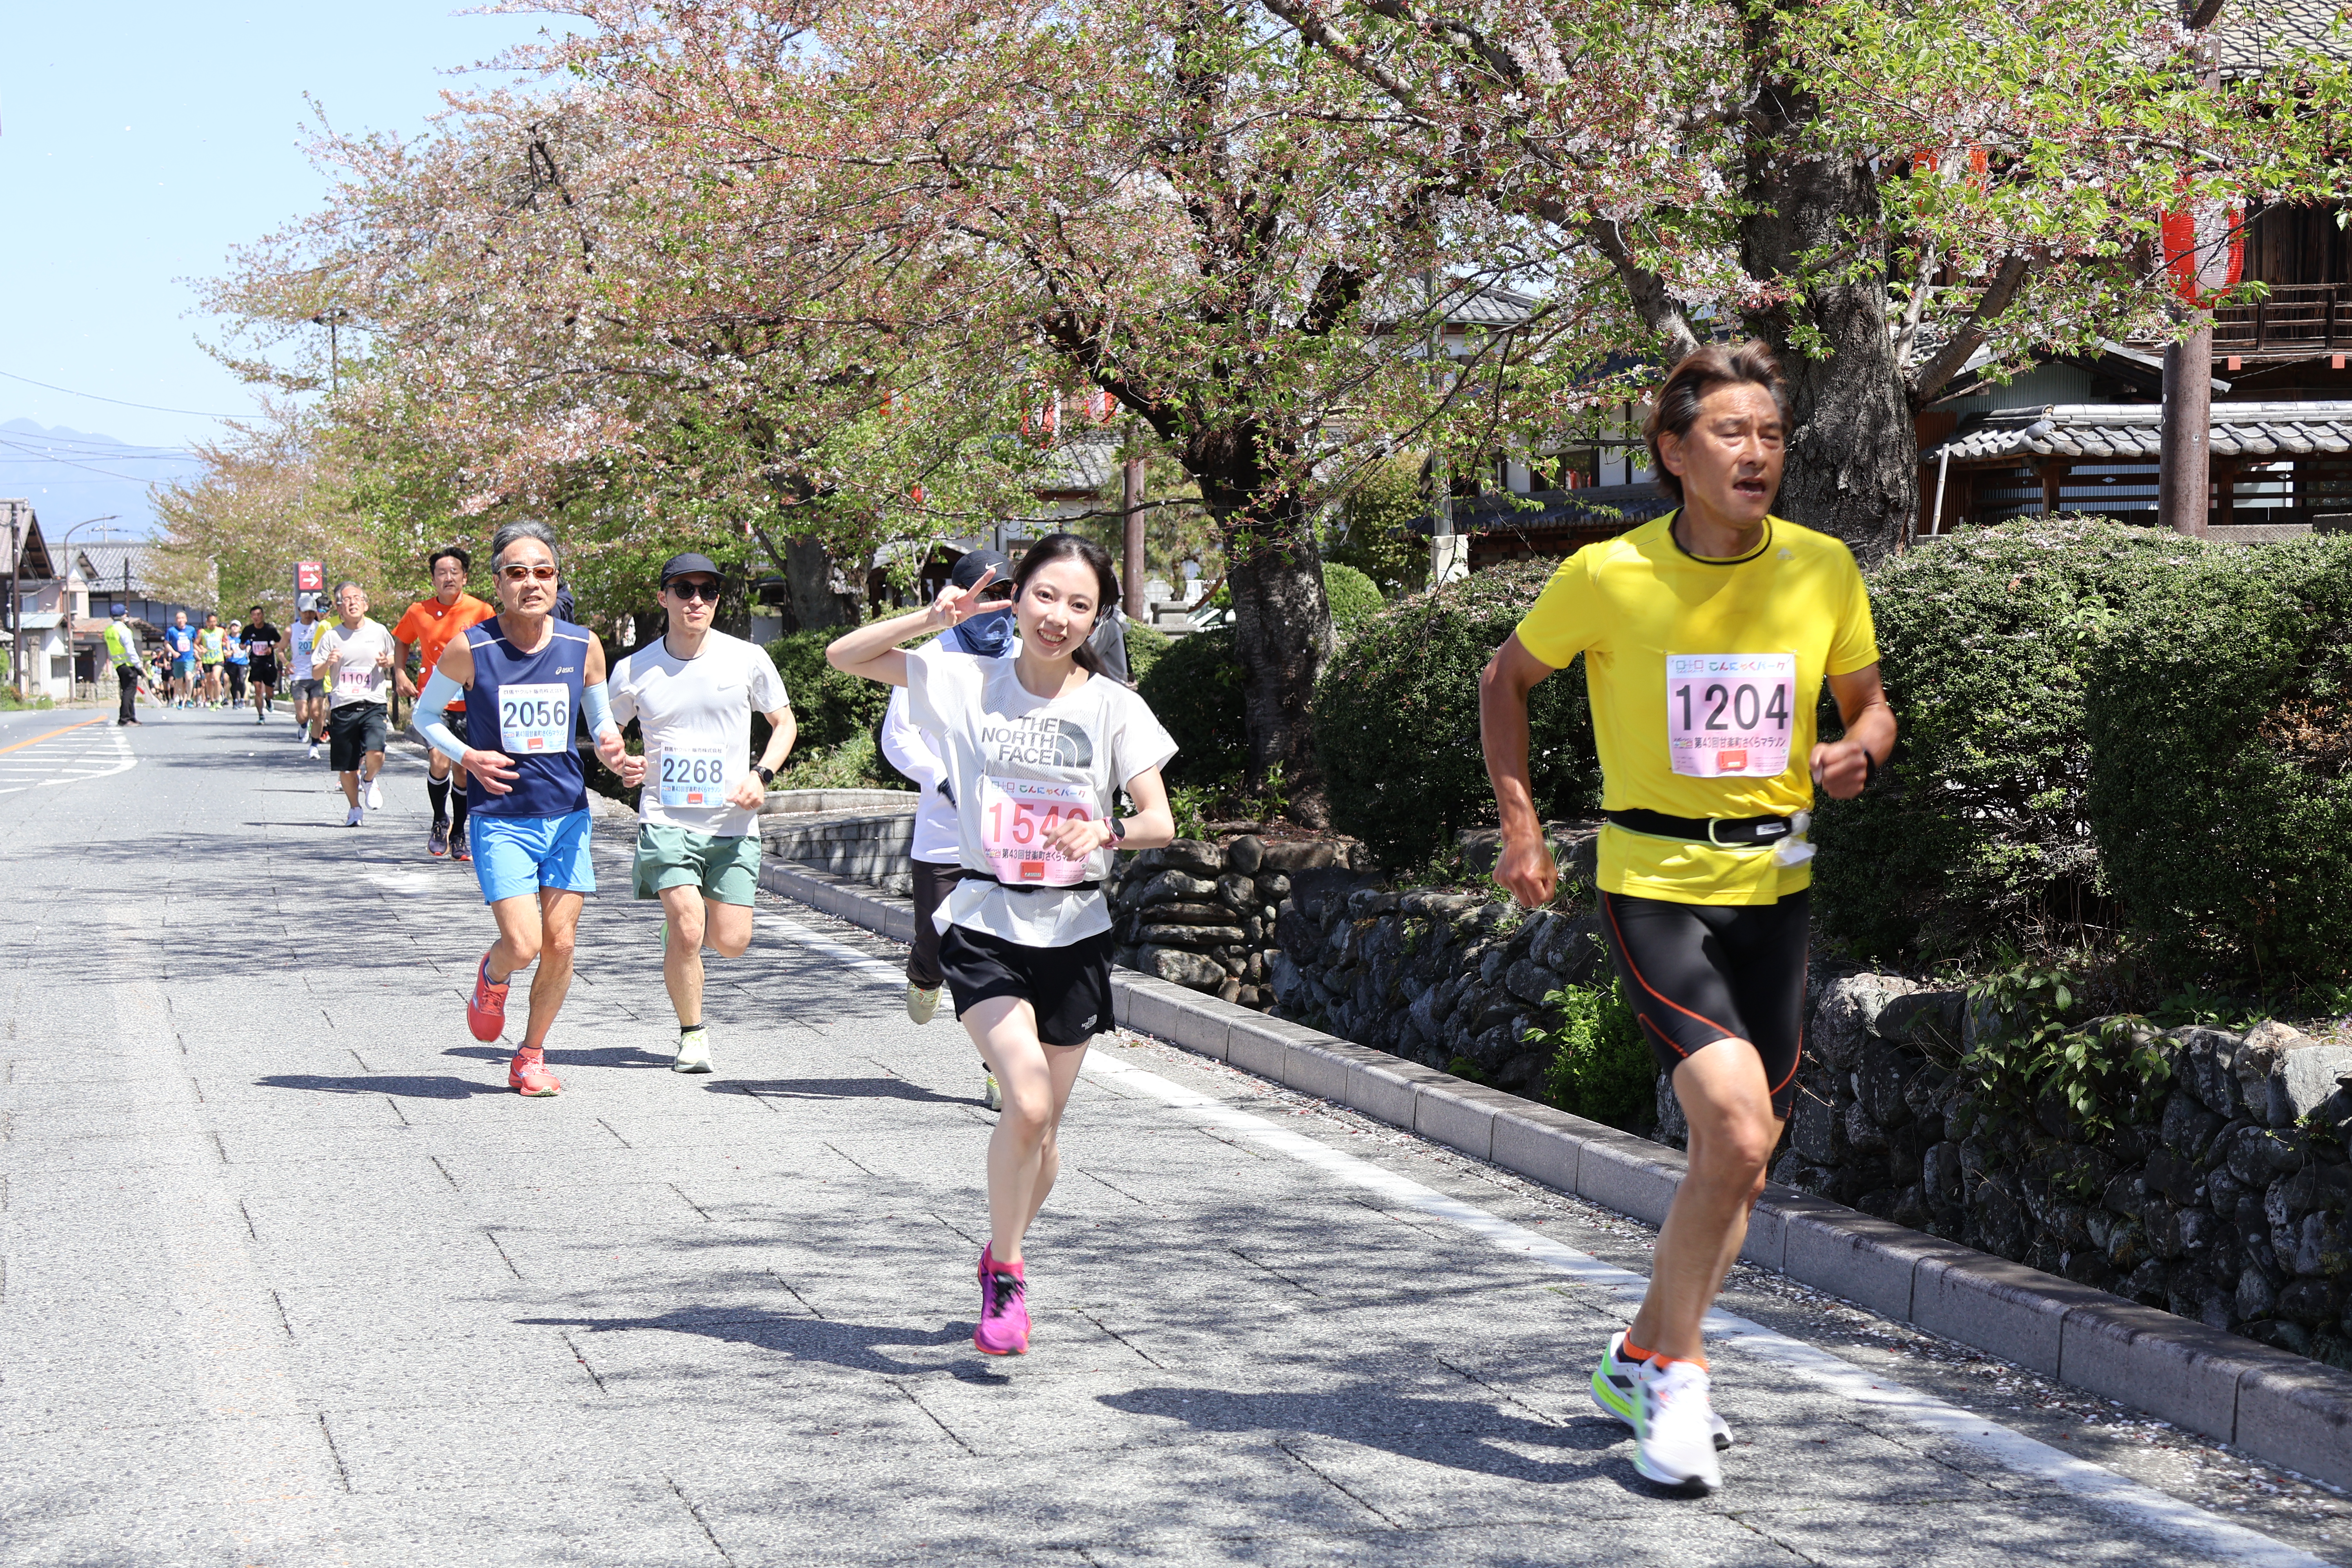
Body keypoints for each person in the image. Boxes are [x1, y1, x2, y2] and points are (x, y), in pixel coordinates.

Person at [1477, 341, 1895, 1496]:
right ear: (1672, 451)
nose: (1756, 453)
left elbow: (1870, 707)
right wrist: (1521, 827)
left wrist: (1856, 751)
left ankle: (1638, 1353)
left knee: (1738, 1162)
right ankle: (1679, 1376)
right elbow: (1505, 679)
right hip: (1655, 884)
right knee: (1739, 1133)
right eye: (1729, 432)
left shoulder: (1821, 568)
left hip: (1778, 887)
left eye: (1770, 434)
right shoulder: (1608, 573)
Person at [828, 532, 1177, 1359]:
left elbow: (1160, 820)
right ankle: (1009, 1275)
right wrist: (932, 620)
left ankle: (1000, 1245)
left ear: (1098, 618)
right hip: (985, 920)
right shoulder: (966, 680)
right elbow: (846, 657)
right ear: (1016, 598)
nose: (1058, 616)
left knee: (1044, 1138)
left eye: (1080, 605)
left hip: (1076, 931)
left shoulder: (1115, 707)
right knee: (1025, 1102)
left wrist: (1108, 830)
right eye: (1045, 596)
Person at [412, 519, 625, 1097]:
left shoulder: (583, 644)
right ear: (499, 583)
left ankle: (530, 1056)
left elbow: (601, 721)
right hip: (502, 819)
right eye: (517, 572)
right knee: (525, 944)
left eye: (543, 571)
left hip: (568, 814)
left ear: (556, 579)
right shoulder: (472, 647)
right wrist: (469, 756)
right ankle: (494, 973)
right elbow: (425, 717)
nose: (532, 583)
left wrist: (613, 749)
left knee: (562, 944)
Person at [606, 553, 793, 1074]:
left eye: (707, 591)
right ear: (663, 597)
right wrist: (620, 763)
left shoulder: (747, 658)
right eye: (684, 589)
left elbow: (784, 724)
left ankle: (680, 935)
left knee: (731, 942)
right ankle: (693, 1035)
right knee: (690, 928)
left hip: (732, 824)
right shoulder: (634, 670)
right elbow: (607, 734)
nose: (696, 600)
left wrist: (762, 775)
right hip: (665, 818)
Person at [878, 549, 1013, 1107]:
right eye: (985, 594)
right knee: (939, 945)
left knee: (998, 955)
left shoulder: (1031, 659)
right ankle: (923, 970)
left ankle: (1000, 1066)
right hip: (944, 834)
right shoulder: (931, 659)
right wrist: (942, 777)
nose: (998, 606)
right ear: (957, 599)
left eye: (1006, 592)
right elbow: (897, 738)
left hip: (1009, 839)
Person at [392, 546, 497, 861]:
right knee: (439, 762)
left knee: (463, 770)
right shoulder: (418, 611)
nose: (448, 577)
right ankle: (440, 821)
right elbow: (402, 640)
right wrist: (400, 673)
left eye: (454, 572)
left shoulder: (482, 611)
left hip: (470, 702)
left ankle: (459, 832)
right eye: (441, 573)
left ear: (465, 577)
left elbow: (495, 650)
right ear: (433, 579)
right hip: (433, 702)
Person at [316, 582, 396, 827]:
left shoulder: (379, 631)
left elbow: (394, 656)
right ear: (339, 609)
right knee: (348, 768)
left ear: (366, 605)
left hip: (373, 702)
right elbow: (316, 672)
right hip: (343, 705)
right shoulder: (332, 636)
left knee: (376, 752)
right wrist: (328, 662)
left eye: (357, 598)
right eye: (346, 600)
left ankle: (369, 779)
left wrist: (388, 662)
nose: (352, 603)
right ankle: (355, 809)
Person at [290, 604, 328, 757]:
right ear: (300, 611)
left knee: (317, 713)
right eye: (305, 612)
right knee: (303, 715)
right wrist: (286, 663)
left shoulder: (322, 628)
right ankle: (303, 725)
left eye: (312, 612)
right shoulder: (291, 630)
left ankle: (314, 746)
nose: (309, 615)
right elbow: (280, 650)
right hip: (299, 677)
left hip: (317, 676)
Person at [243, 605, 282, 724]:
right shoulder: (248, 630)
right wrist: (243, 646)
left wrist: (271, 648)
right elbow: (242, 643)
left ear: (263, 615)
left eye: (259, 615)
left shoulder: (270, 629)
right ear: (251, 617)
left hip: (268, 663)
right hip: (256, 663)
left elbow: (280, 642)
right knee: (258, 689)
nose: (257, 617)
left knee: (270, 692)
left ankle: (269, 700)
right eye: (254, 615)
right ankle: (261, 715)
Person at [105, 606, 142, 726]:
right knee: (129, 692)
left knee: (127, 691)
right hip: (129, 664)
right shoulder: (124, 630)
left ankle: (132, 717)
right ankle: (125, 719)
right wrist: (139, 666)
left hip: (118, 665)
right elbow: (131, 650)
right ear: (123, 616)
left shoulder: (109, 630)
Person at [164, 612, 197, 709]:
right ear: (176, 620)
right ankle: (181, 699)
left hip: (189, 658)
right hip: (178, 660)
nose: (181, 620)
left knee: (189, 677)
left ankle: (189, 699)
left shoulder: (191, 630)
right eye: (179, 618)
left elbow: (196, 642)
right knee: (179, 680)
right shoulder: (172, 631)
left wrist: (197, 652)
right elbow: (166, 644)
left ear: (186, 619)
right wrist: (173, 652)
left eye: (183, 618)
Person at [197, 613, 226, 708]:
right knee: (209, 681)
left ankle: (218, 700)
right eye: (211, 622)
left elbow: (227, 640)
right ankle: (212, 700)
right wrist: (201, 650)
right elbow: (196, 644)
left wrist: (229, 650)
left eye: (215, 622)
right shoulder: (203, 632)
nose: (213, 624)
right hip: (207, 659)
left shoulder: (221, 631)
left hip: (218, 658)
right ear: (207, 622)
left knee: (216, 678)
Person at [223, 619, 250, 708]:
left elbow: (249, 644)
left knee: (242, 681)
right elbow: (224, 650)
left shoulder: (243, 637)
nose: (234, 628)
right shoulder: (228, 639)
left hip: (243, 662)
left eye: (236, 626)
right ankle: (235, 700)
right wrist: (228, 652)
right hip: (232, 663)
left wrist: (247, 651)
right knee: (234, 682)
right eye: (233, 626)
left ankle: (242, 699)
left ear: (240, 628)